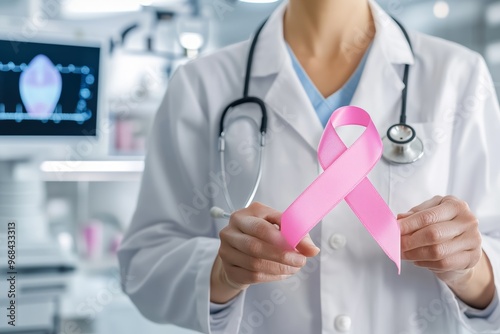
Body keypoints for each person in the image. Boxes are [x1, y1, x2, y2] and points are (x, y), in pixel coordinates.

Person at [118, 0, 500, 333]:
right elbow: (145, 263)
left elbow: (492, 242)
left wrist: (473, 268)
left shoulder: (458, 76)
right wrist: (220, 272)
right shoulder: (201, 84)